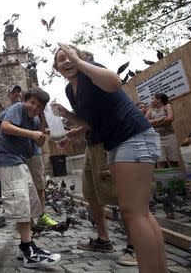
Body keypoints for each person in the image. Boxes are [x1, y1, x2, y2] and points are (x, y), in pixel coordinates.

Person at [53, 43, 167, 272]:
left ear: (79, 56)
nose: (65, 62)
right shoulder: (70, 90)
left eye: (69, 57)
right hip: (117, 143)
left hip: (133, 136)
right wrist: (67, 117)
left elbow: (115, 82)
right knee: (139, 211)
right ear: (56, 68)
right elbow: (92, 122)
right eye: (60, 60)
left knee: (133, 211)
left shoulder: (89, 71)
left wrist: (80, 62)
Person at [57, 114, 137, 266]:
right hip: (91, 144)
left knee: (118, 194)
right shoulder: (77, 92)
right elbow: (88, 121)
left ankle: (133, 248)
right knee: (91, 193)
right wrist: (73, 135)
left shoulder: (95, 89)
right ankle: (103, 240)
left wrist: (65, 114)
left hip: (107, 142)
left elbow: (100, 116)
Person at [0, 87, 61, 269]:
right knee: (21, 204)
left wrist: (42, 122)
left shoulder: (34, 118)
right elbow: (5, 127)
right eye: (32, 103)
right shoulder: (17, 107)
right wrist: (31, 133)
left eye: (39, 106)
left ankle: (25, 246)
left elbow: (39, 142)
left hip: (21, 161)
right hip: (8, 161)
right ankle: (28, 251)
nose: (34, 108)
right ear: (25, 100)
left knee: (30, 203)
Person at [145, 93, 180, 168]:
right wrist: (160, 119)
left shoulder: (167, 106)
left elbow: (170, 118)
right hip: (157, 139)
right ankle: (162, 180)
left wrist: (154, 124)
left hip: (169, 136)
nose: (151, 100)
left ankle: (177, 179)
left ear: (159, 100)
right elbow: (144, 121)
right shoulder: (150, 109)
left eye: (153, 98)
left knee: (173, 161)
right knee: (160, 161)